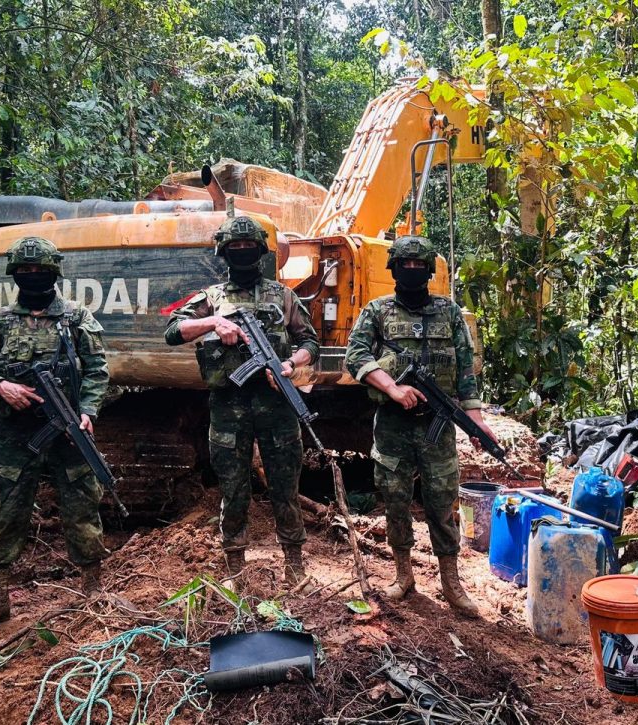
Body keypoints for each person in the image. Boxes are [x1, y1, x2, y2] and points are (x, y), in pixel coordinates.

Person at [343, 235, 495, 618]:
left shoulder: (449, 312)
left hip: (438, 425)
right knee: (394, 499)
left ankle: (451, 582)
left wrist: (475, 423)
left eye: (418, 266)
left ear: (429, 271)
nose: (411, 272)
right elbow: (355, 355)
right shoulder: (376, 311)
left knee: (442, 503)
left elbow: (465, 370)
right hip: (393, 425)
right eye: (404, 266)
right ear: (393, 269)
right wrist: (392, 388)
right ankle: (403, 575)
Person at [164, 215, 320, 588]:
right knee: (233, 491)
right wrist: (214, 323)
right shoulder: (212, 298)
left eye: (249, 247)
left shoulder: (283, 296)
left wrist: (288, 364)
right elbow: (173, 330)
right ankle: (235, 570)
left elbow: (311, 343)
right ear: (224, 252)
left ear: (261, 252)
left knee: (285, 487)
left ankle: (295, 566)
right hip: (229, 410)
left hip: (278, 408)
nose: (242, 253)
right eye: (235, 248)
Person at [0, 236, 110, 634]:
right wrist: (0, 386)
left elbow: (98, 370)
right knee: (5, 513)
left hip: (67, 432)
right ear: (15, 275)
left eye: (39, 271)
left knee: (82, 509)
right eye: (25, 271)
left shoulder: (77, 320)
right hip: (15, 434)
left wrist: (87, 411)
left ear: (54, 274)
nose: (32, 277)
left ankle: (92, 595)